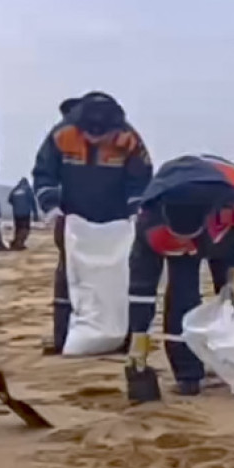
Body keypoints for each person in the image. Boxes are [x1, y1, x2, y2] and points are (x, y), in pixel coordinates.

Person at [126, 154, 234, 395]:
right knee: (181, 296)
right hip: (179, 248)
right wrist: (139, 334)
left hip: (226, 235)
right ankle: (188, 376)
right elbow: (142, 282)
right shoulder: (149, 219)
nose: (189, 243)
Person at [32, 91, 152, 354]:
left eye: (102, 135)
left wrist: (136, 213)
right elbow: (44, 174)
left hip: (116, 222)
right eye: (90, 134)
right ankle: (64, 337)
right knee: (69, 274)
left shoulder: (128, 139)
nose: (96, 139)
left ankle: (124, 336)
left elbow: (140, 180)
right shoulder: (62, 135)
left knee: (121, 277)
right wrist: (51, 208)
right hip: (72, 219)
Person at [7, 177, 38, 250]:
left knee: (18, 229)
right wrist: (35, 213)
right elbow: (32, 202)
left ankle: (16, 243)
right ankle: (19, 244)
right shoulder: (28, 189)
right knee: (25, 228)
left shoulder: (15, 189)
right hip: (25, 212)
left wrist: (16, 205)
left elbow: (9, 200)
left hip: (16, 213)